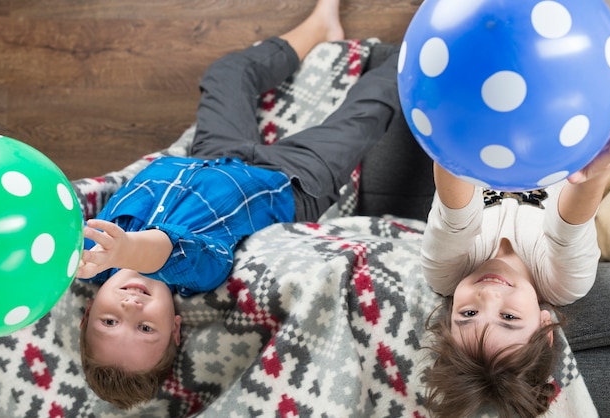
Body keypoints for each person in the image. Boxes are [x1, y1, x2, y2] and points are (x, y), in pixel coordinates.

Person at [76, 0, 401, 410]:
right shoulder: (196, 275)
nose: (131, 305)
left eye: (110, 322)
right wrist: (126, 252)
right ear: (175, 329)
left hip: (211, 155)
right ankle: (424, 54)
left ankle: (321, 26)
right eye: (145, 327)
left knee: (227, 72)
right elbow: (166, 248)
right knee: (368, 110)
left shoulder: (87, 255)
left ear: (87, 314)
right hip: (290, 183)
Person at [419, 128, 610, 417]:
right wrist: (595, 172)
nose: (488, 295)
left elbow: (455, 218)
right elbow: (568, 230)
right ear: (543, 326)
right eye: (509, 317)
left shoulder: (446, 272)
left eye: (468, 314)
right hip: (561, 136)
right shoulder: (564, 283)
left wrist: (454, 133)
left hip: (488, 129)